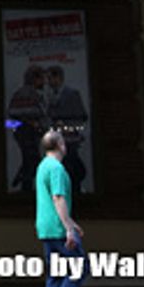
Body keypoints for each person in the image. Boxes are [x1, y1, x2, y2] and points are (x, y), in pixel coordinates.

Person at [35, 129, 84, 287]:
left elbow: (49, 200)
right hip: (58, 228)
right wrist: (68, 228)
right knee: (80, 268)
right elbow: (58, 198)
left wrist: (71, 222)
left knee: (55, 274)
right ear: (60, 145)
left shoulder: (42, 166)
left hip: (45, 227)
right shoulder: (57, 168)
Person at [46, 65, 89, 194]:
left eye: (50, 78)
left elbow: (82, 116)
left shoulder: (72, 94)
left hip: (70, 138)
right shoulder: (50, 96)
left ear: (58, 78)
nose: (48, 82)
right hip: (57, 139)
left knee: (73, 165)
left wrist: (65, 123)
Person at [8, 64, 48, 193]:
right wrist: (31, 123)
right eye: (41, 78)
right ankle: (24, 184)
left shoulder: (35, 93)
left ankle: (25, 185)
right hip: (26, 131)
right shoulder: (26, 93)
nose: (44, 81)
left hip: (29, 131)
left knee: (30, 159)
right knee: (32, 159)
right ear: (34, 79)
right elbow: (15, 113)